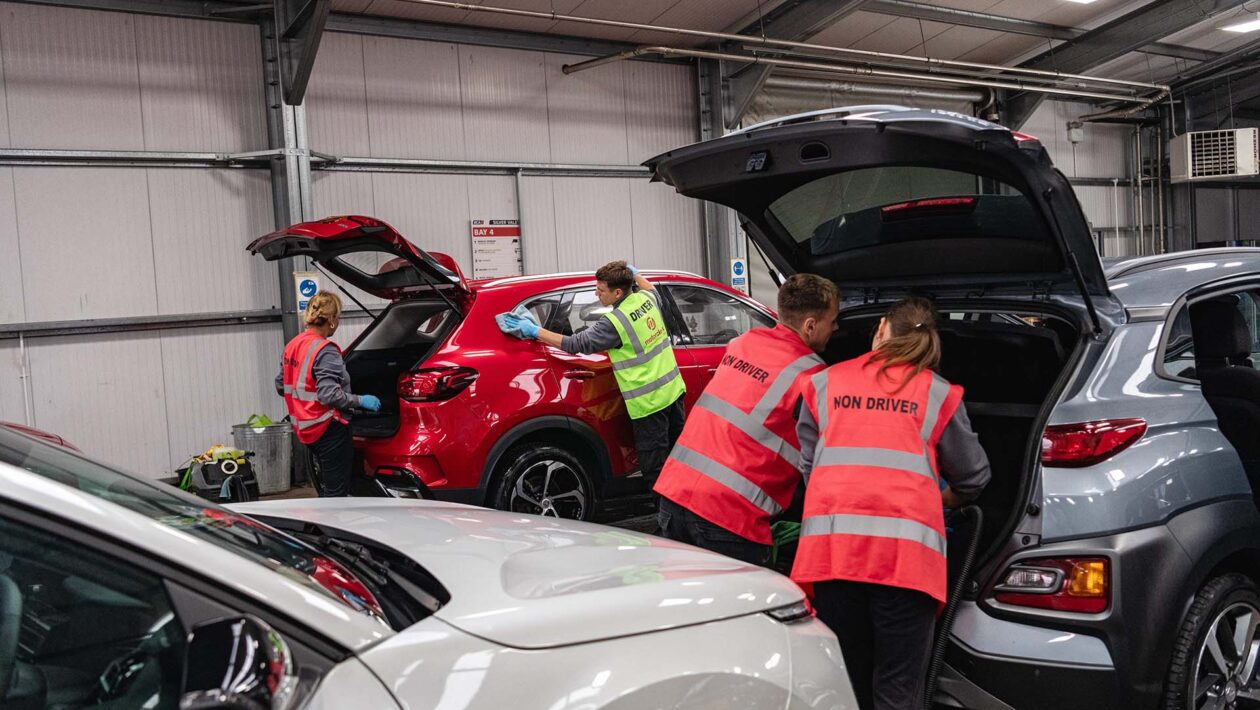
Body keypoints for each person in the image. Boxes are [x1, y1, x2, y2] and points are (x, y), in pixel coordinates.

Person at [792, 297, 990, 710]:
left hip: (834, 557)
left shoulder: (825, 382)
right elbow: (975, 477)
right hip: (905, 565)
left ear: (881, 328)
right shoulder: (938, 393)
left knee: (846, 682)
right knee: (898, 690)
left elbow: (812, 468)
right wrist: (941, 501)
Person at [652, 274, 838, 565]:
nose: (836, 328)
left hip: (675, 495)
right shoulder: (813, 377)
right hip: (729, 515)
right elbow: (824, 459)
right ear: (810, 325)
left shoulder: (742, 343)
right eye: (833, 321)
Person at [502, 261, 685, 487]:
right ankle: (686, 514)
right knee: (679, 461)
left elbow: (574, 343)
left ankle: (667, 521)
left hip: (650, 404)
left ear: (618, 292)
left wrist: (534, 331)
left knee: (655, 470)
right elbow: (650, 288)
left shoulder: (615, 322)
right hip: (674, 393)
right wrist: (635, 274)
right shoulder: (646, 300)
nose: (596, 293)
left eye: (601, 290)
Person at [275, 291, 381, 497]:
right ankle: (326, 528)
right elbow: (329, 395)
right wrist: (360, 401)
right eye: (338, 318)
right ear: (332, 320)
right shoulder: (326, 350)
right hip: (328, 429)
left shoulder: (293, 345)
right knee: (335, 496)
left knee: (329, 489)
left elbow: (281, 385)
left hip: (306, 430)